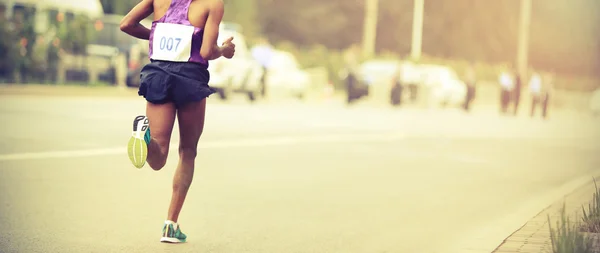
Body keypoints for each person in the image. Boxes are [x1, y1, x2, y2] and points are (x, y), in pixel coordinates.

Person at [120, 0, 235, 243]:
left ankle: (144, 136)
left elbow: (126, 24)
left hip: (158, 74)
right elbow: (206, 52)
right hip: (190, 80)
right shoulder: (212, 4)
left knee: (158, 157)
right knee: (188, 151)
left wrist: (154, 33)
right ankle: (171, 225)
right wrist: (224, 50)